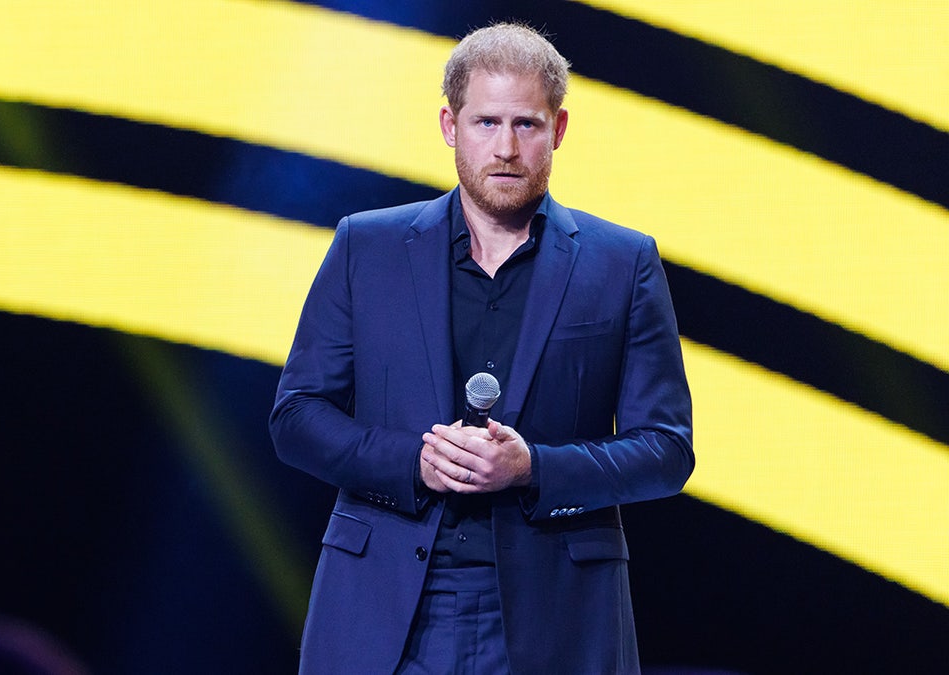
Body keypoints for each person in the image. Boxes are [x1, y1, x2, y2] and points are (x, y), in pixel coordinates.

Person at [270, 22, 694, 675]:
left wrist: (534, 468)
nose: (504, 147)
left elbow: (666, 449)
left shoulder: (621, 263)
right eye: (485, 122)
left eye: (525, 124)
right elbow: (296, 417)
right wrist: (416, 460)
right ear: (450, 124)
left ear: (558, 130)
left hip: (552, 611)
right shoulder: (367, 247)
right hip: (385, 606)